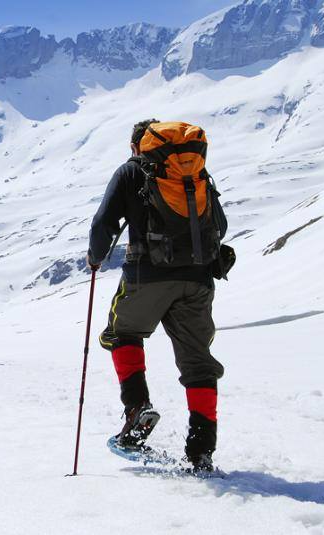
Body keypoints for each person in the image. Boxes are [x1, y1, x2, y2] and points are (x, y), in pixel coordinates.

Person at [86, 119, 227, 472]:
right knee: (197, 362)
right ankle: (201, 449)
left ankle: (137, 410)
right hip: (198, 279)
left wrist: (95, 258)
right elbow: (220, 225)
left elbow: (103, 223)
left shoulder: (132, 171)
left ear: (138, 147)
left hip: (146, 275)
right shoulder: (195, 175)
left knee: (122, 332)